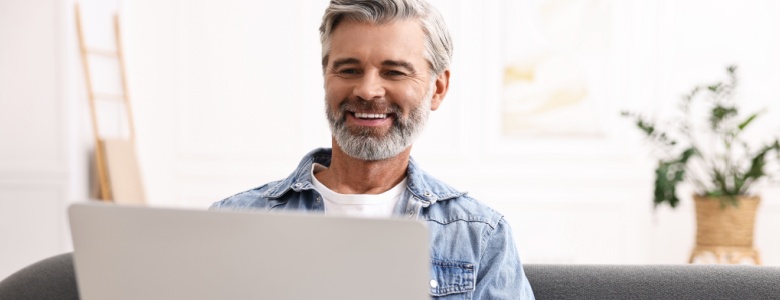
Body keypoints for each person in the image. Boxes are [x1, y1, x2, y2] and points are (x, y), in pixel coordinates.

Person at [211, 0, 535, 298]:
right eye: (349, 70)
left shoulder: (480, 236)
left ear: (437, 88)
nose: (367, 90)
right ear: (326, 77)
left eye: (394, 72)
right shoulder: (231, 223)